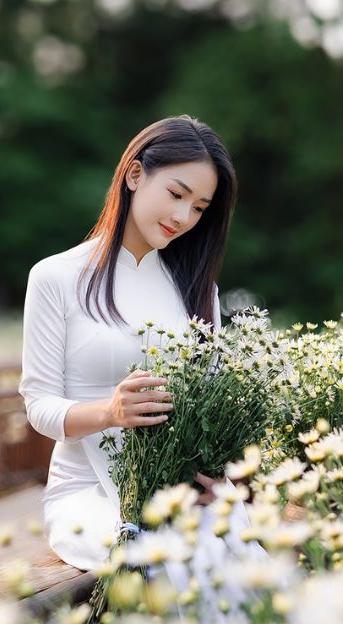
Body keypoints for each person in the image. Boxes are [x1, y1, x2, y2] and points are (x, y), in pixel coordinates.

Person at [18, 115, 242, 571]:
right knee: (159, 556)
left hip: (179, 491)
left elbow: (212, 405)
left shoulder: (198, 291)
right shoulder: (56, 277)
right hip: (88, 495)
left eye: (199, 208)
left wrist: (220, 479)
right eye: (176, 194)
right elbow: (39, 406)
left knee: (231, 547)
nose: (183, 217)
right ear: (135, 175)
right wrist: (110, 412)